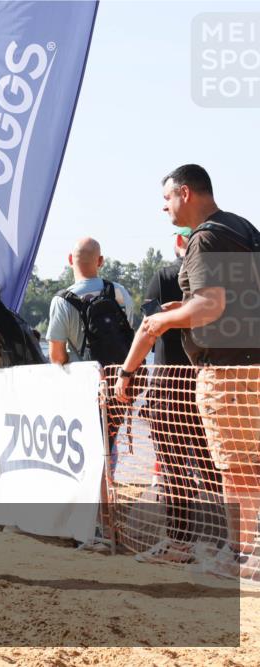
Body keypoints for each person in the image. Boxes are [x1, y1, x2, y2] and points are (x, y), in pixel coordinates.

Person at [117, 164, 260, 579]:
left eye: (166, 199)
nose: (164, 207)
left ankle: (239, 556)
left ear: (184, 193)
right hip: (251, 363)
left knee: (237, 467)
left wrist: (161, 322)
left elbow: (210, 305)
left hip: (229, 370)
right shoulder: (242, 228)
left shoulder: (206, 236)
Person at [115, 228, 225, 564]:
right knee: (220, 468)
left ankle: (180, 544)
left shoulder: (164, 277)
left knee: (176, 472)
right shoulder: (227, 277)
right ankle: (234, 543)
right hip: (215, 381)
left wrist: (127, 372)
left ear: (179, 243)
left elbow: (148, 331)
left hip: (171, 387)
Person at [47, 237, 135, 366]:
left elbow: (57, 357)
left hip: (84, 381)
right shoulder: (120, 292)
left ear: (70, 259)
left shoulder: (61, 301)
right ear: (100, 261)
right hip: (119, 379)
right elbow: (129, 335)